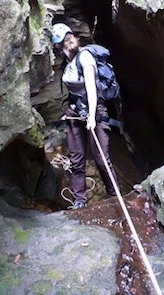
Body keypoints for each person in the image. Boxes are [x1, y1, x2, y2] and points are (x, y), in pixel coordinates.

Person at [51, 23, 119, 209]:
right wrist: (69, 112)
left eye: (69, 37)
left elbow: (91, 88)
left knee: (101, 158)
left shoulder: (85, 57)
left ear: (74, 37)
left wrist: (91, 116)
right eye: (64, 41)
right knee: (76, 159)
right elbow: (72, 91)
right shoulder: (68, 62)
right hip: (75, 113)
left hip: (94, 111)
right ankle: (79, 200)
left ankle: (115, 195)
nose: (68, 41)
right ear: (59, 46)